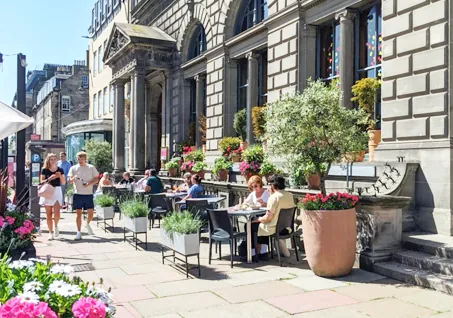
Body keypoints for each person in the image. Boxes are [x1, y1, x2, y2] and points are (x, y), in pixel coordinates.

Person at [250, 175, 294, 260]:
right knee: (259, 224)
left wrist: (258, 219)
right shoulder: (290, 195)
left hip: (274, 227)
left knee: (252, 225)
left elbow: (268, 218)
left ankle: (258, 252)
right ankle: (263, 251)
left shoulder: (274, 197)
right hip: (287, 227)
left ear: (273, 186)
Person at [68, 151, 99, 241]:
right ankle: (78, 232)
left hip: (88, 194)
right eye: (78, 159)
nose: (80, 160)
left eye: (82, 159)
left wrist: (89, 183)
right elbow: (69, 181)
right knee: (78, 214)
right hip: (78, 193)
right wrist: (73, 178)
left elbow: (96, 179)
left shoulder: (91, 167)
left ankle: (88, 224)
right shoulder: (73, 168)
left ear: (85, 159)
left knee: (90, 213)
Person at [39, 153, 65, 240]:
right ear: (48, 160)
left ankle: (56, 226)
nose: (53, 161)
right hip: (47, 190)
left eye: (54, 159)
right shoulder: (44, 170)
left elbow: (63, 182)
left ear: (56, 160)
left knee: (57, 214)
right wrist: (50, 178)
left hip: (57, 191)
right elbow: (41, 182)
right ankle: (50, 232)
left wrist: (60, 176)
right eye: (51, 159)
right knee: (48, 214)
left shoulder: (60, 169)